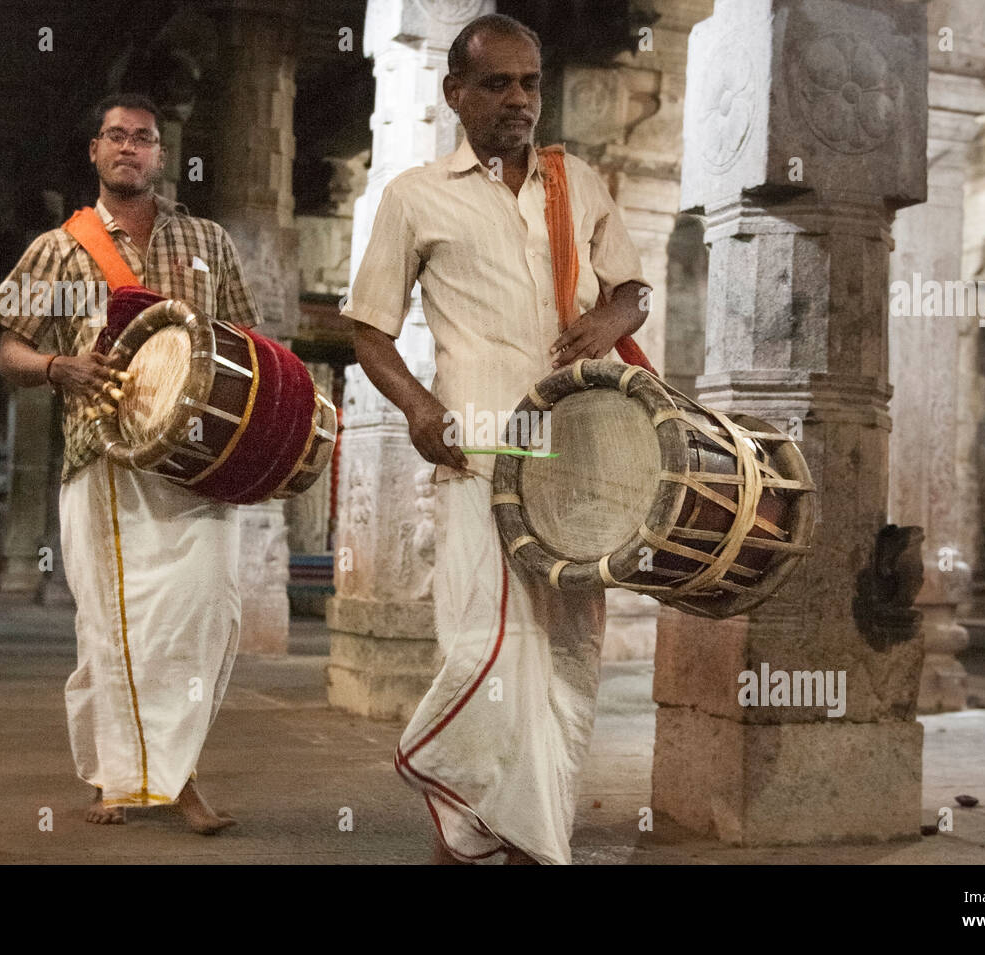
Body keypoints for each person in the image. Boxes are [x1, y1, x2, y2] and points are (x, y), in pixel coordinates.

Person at [343, 14, 652, 864]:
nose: (517, 99)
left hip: (582, 453)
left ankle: (517, 832)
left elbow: (634, 290)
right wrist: (415, 405)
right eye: (496, 84)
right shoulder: (415, 195)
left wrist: (605, 318)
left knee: (568, 652)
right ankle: (477, 819)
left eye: (529, 82)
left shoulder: (575, 182)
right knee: (485, 642)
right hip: (476, 449)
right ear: (455, 94)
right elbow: (369, 329)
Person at [0, 93, 262, 833]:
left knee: (204, 615)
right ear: (95, 152)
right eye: (115, 136)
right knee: (113, 622)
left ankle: (175, 768)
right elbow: (9, 347)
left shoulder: (207, 240)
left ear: (162, 154)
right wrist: (55, 367)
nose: (129, 147)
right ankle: (129, 777)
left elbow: (249, 343)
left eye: (144, 138)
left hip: (199, 456)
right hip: (101, 453)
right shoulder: (59, 248)